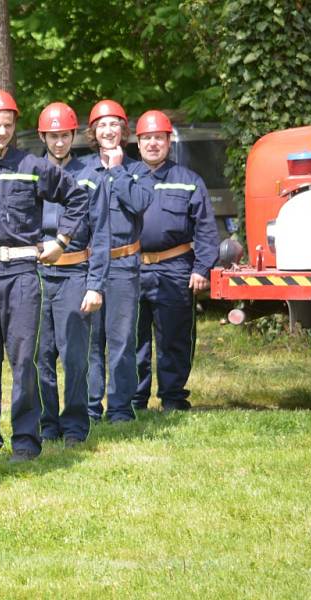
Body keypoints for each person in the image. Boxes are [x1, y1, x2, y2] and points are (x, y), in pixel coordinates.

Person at [0, 89, 90, 462]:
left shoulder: (33, 167)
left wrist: (62, 241)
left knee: (25, 360)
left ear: (15, 127)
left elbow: (77, 197)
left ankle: (26, 439)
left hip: (23, 273)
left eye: (7, 125)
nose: (1, 131)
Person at [132, 110, 219, 411]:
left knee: (175, 337)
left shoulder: (188, 180)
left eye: (159, 138)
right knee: (133, 341)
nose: (153, 143)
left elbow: (206, 228)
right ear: (138, 142)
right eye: (147, 138)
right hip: (132, 269)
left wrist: (202, 268)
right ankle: (135, 401)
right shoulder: (126, 179)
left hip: (175, 268)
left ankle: (173, 398)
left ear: (169, 141)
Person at [35, 102, 111, 445]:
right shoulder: (31, 172)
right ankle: (47, 423)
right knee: (40, 355)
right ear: (43, 136)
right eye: (53, 136)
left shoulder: (92, 176)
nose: (59, 142)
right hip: (36, 275)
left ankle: (76, 424)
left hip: (75, 272)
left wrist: (95, 285)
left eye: (64, 135)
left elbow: (103, 233)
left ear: (73, 135)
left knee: (76, 355)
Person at [84, 99, 153, 426]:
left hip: (124, 266)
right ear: (93, 131)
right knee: (91, 341)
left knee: (122, 339)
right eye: (102, 125)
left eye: (114, 125)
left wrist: (117, 169)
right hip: (87, 268)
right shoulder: (81, 170)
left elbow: (139, 203)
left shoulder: (139, 170)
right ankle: (90, 407)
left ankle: (121, 408)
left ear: (124, 131)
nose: (108, 130)